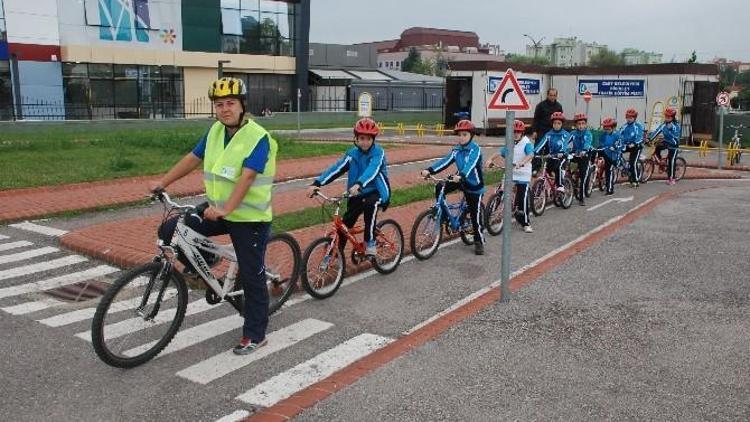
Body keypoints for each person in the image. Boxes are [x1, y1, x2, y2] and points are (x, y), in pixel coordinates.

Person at [150, 77, 277, 355]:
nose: (224, 109)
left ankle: (256, 334)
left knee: (253, 275)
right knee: (170, 230)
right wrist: (163, 182)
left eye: (230, 103)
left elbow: (248, 177)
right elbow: (192, 159)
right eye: (219, 104)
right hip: (218, 209)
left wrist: (227, 209)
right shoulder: (216, 132)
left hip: (249, 217)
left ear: (243, 105)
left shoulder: (258, 137)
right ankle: (206, 263)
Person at [307, 118, 391, 256]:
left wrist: (359, 183)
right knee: (345, 225)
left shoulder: (378, 153)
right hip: (356, 193)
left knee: (370, 207)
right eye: (362, 138)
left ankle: (370, 244)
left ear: (373, 140)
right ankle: (336, 255)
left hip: (377, 192)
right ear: (356, 139)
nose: (365, 142)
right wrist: (317, 183)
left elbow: (372, 170)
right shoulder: (352, 154)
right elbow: (336, 169)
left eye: (369, 139)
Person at [421, 119, 486, 255]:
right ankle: (444, 215)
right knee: (440, 186)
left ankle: (479, 240)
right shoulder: (457, 149)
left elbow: (470, 165)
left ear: (471, 136)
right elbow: (445, 161)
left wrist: (461, 175)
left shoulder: (475, 149)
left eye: (465, 135)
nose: (461, 138)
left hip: (474, 185)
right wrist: (430, 170)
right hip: (460, 179)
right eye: (460, 135)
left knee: (475, 214)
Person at [486, 119, 534, 233]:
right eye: (514, 132)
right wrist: (490, 159)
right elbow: (501, 152)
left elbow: (531, 154)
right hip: (510, 172)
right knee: (501, 190)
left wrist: (522, 162)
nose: (516, 134)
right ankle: (492, 212)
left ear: (522, 133)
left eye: (518, 132)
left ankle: (526, 223)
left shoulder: (526, 143)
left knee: (522, 199)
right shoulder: (510, 142)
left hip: (523, 174)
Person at [534, 111, 570, 192]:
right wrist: (535, 152)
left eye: (558, 123)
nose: (556, 125)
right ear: (552, 124)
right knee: (546, 169)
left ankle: (561, 186)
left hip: (562, 157)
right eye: (554, 123)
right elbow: (541, 143)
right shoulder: (549, 134)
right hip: (552, 156)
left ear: (562, 124)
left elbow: (565, 144)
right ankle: (546, 187)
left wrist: (562, 152)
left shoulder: (565, 134)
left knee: (559, 167)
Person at [649, 108, 681, 185]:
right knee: (657, 148)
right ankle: (662, 164)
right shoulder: (664, 124)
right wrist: (649, 138)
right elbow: (657, 131)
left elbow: (676, 138)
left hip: (674, 145)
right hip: (666, 141)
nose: (666, 118)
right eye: (666, 117)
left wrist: (669, 131)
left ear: (672, 118)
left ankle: (672, 178)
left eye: (668, 117)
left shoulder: (675, 126)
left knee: (671, 160)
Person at [570, 113, 593, 206]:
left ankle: (582, 198)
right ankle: (572, 183)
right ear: (575, 125)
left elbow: (587, 142)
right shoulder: (573, 133)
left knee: (583, 176)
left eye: (583, 123)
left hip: (584, 156)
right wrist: (564, 150)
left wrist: (584, 150)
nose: (581, 126)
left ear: (586, 124)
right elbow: (566, 142)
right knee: (568, 170)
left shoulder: (588, 133)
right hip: (575, 155)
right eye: (579, 124)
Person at [620, 108, 645, 188]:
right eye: (627, 117)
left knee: (633, 163)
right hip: (627, 145)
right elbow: (619, 134)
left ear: (634, 118)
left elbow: (639, 137)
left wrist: (634, 143)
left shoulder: (638, 126)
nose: (629, 119)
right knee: (617, 153)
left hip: (636, 147)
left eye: (631, 118)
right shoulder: (624, 126)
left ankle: (636, 181)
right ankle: (624, 167)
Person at [599, 117, 622, 195]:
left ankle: (610, 189)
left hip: (613, 156)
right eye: (605, 129)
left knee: (609, 172)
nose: (606, 131)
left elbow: (620, 145)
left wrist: (615, 148)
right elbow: (600, 143)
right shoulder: (603, 135)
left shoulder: (617, 135)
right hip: (606, 153)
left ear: (613, 128)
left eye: (608, 129)